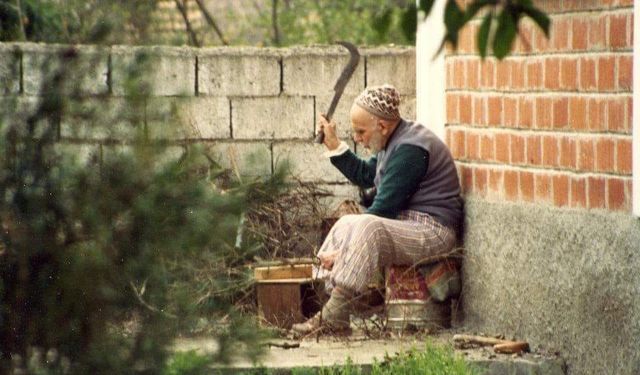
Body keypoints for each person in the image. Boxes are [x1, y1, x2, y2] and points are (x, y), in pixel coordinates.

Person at [291, 84, 463, 335]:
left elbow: (382, 210)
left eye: (360, 132)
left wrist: (342, 253)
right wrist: (334, 144)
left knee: (367, 225)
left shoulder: (410, 150)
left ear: (382, 126)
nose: (358, 138)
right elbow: (366, 174)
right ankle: (327, 303)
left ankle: (333, 316)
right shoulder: (393, 140)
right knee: (347, 222)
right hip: (408, 225)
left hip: (432, 231)